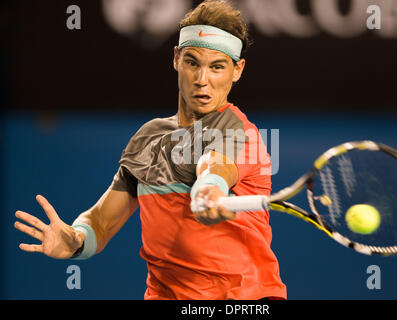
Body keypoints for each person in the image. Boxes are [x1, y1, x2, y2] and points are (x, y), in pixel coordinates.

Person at [14, 0, 287, 300]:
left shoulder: (240, 132)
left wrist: (208, 191)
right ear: (176, 59)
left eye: (217, 67)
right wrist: (77, 239)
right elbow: (102, 221)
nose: (202, 79)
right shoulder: (148, 138)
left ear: (237, 70)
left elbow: (213, 168)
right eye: (192, 62)